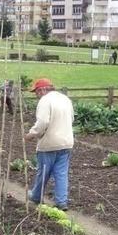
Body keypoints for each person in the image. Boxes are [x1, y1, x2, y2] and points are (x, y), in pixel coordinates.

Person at [24, 78, 74, 210]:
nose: (36, 95)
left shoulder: (45, 101)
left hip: (49, 143)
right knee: (61, 173)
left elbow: (42, 123)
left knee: (43, 171)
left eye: (36, 92)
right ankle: (61, 201)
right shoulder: (65, 99)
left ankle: (35, 196)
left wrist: (32, 134)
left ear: (43, 90)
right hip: (67, 142)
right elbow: (72, 119)